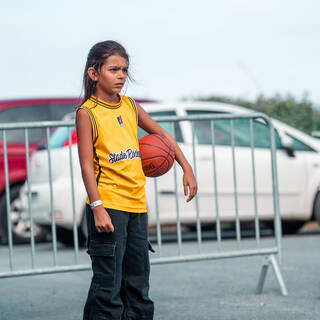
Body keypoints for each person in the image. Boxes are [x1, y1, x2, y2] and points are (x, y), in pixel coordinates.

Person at [76, 40, 197, 320]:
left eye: (124, 70)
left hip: (136, 207)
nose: (120, 76)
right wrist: (97, 207)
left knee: (138, 284)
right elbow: (85, 166)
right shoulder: (87, 113)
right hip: (108, 206)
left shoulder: (130, 106)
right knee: (108, 286)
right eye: (113, 69)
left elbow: (163, 137)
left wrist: (185, 166)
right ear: (94, 73)